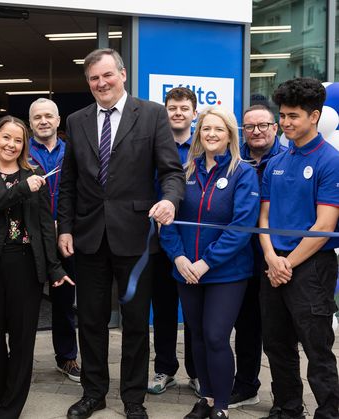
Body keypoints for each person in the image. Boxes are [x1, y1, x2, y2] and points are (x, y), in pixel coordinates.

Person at [58, 48, 185, 419]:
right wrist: (65, 227)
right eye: (94, 78)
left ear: (123, 74)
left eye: (107, 75)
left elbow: (172, 172)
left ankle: (133, 399)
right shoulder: (77, 119)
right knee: (91, 320)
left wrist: (172, 201)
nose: (101, 84)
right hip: (89, 237)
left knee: (134, 323)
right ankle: (93, 393)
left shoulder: (151, 114)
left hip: (135, 236)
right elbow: (68, 182)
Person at [0, 115, 73, 418]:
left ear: (24, 145)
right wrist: (23, 188)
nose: (11, 144)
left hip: (26, 264)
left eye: (18, 140)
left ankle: (12, 404)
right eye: (6, 137)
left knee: (23, 338)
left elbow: (43, 227)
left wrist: (55, 269)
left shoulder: (35, 173)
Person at [159, 106, 259, 419]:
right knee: (198, 336)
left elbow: (242, 226)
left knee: (216, 335)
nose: (211, 134)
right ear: (198, 133)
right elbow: (167, 220)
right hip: (186, 269)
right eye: (206, 129)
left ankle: (222, 407)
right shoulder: (185, 171)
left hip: (226, 273)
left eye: (218, 129)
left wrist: (206, 263)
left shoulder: (243, 172)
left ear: (229, 134)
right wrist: (179, 257)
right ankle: (206, 398)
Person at [259, 77, 339, 419]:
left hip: (312, 268)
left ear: (315, 116)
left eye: (293, 116)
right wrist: (270, 258)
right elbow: (262, 218)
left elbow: (324, 227)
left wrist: (286, 264)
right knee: (276, 344)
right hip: (274, 263)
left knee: (317, 348)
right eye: (283, 115)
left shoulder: (330, 160)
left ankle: (330, 411)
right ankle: (288, 408)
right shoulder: (275, 162)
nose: (285, 123)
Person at [228, 104, 286, 410]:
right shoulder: (237, 162)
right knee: (247, 326)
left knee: (278, 333)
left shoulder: (288, 159)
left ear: (275, 127)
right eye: (249, 127)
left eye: (263, 125)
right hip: (243, 259)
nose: (256, 132)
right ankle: (246, 385)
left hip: (279, 259)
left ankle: (284, 397)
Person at [148, 86, 198, 396]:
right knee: (163, 310)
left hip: (193, 244)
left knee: (194, 313)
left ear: (194, 113)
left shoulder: (204, 146)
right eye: (172, 108)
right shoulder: (153, 147)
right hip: (158, 243)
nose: (177, 112)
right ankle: (164, 368)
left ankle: (197, 372)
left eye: (183, 108)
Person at [27, 98, 80, 382]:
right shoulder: (20, 151)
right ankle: (19, 361)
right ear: (31, 122)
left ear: (59, 120)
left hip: (65, 237)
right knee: (24, 304)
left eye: (49, 116)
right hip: (30, 238)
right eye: (38, 117)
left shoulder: (72, 152)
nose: (43, 121)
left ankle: (67, 357)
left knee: (64, 301)